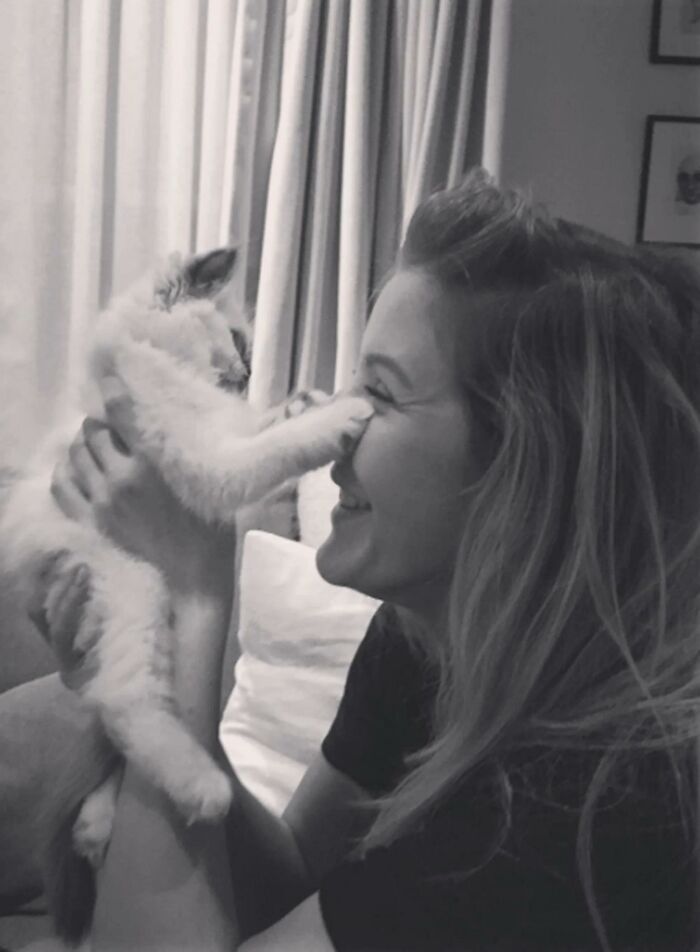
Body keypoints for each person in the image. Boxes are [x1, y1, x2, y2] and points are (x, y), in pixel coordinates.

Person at [37, 168, 700, 951]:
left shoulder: (593, 803)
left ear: (524, 470)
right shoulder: (419, 641)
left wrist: (191, 599)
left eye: (379, 394)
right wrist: (176, 718)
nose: (337, 423)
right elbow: (294, 879)